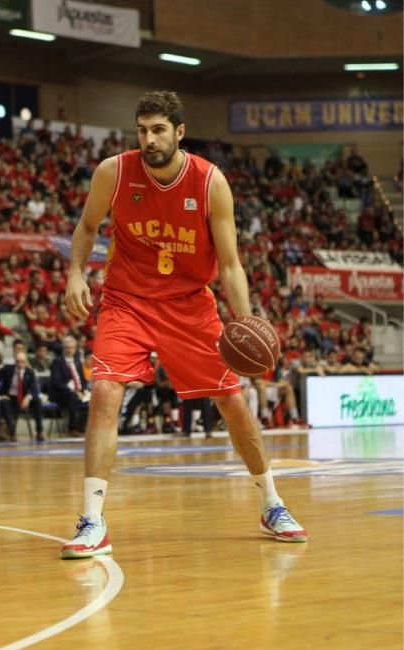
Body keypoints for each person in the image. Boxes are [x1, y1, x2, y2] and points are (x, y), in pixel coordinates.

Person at [61, 91, 306, 559]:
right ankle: (92, 518)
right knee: (105, 393)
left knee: (232, 403)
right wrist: (75, 272)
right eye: (142, 130)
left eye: (158, 130)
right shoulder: (113, 173)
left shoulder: (210, 182)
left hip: (190, 305)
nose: (149, 139)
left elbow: (231, 264)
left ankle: (272, 503)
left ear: (179, 132)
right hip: (126, 300)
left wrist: (245, 319)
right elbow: (87, 226)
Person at [0, 351, 45, 442]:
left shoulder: (30, 372)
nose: (20, 364)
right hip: (11, 397)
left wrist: (28, 397)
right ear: (15, 361)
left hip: (24, 398)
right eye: (18, 361)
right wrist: (0, 395)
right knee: (4, 402)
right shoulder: (7, 370)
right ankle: (11, 432)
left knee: (37, 401)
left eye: (22, 362)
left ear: (26, 362)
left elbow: (35, 389)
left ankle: (39, 431)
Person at [50, 335, 89, 437]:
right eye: (67, 347)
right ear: (63, 348)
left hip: (79, 392)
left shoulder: (77, 362)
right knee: (73, 397)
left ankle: (82, 427)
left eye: (72, 348)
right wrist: (74, 391)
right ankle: (72, 428)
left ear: (75, 349)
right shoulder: (57, 362)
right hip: (62, 393)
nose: (69, 350)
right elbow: (56, 382)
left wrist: (84, 390)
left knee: (93, 398)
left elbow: (83, 380)